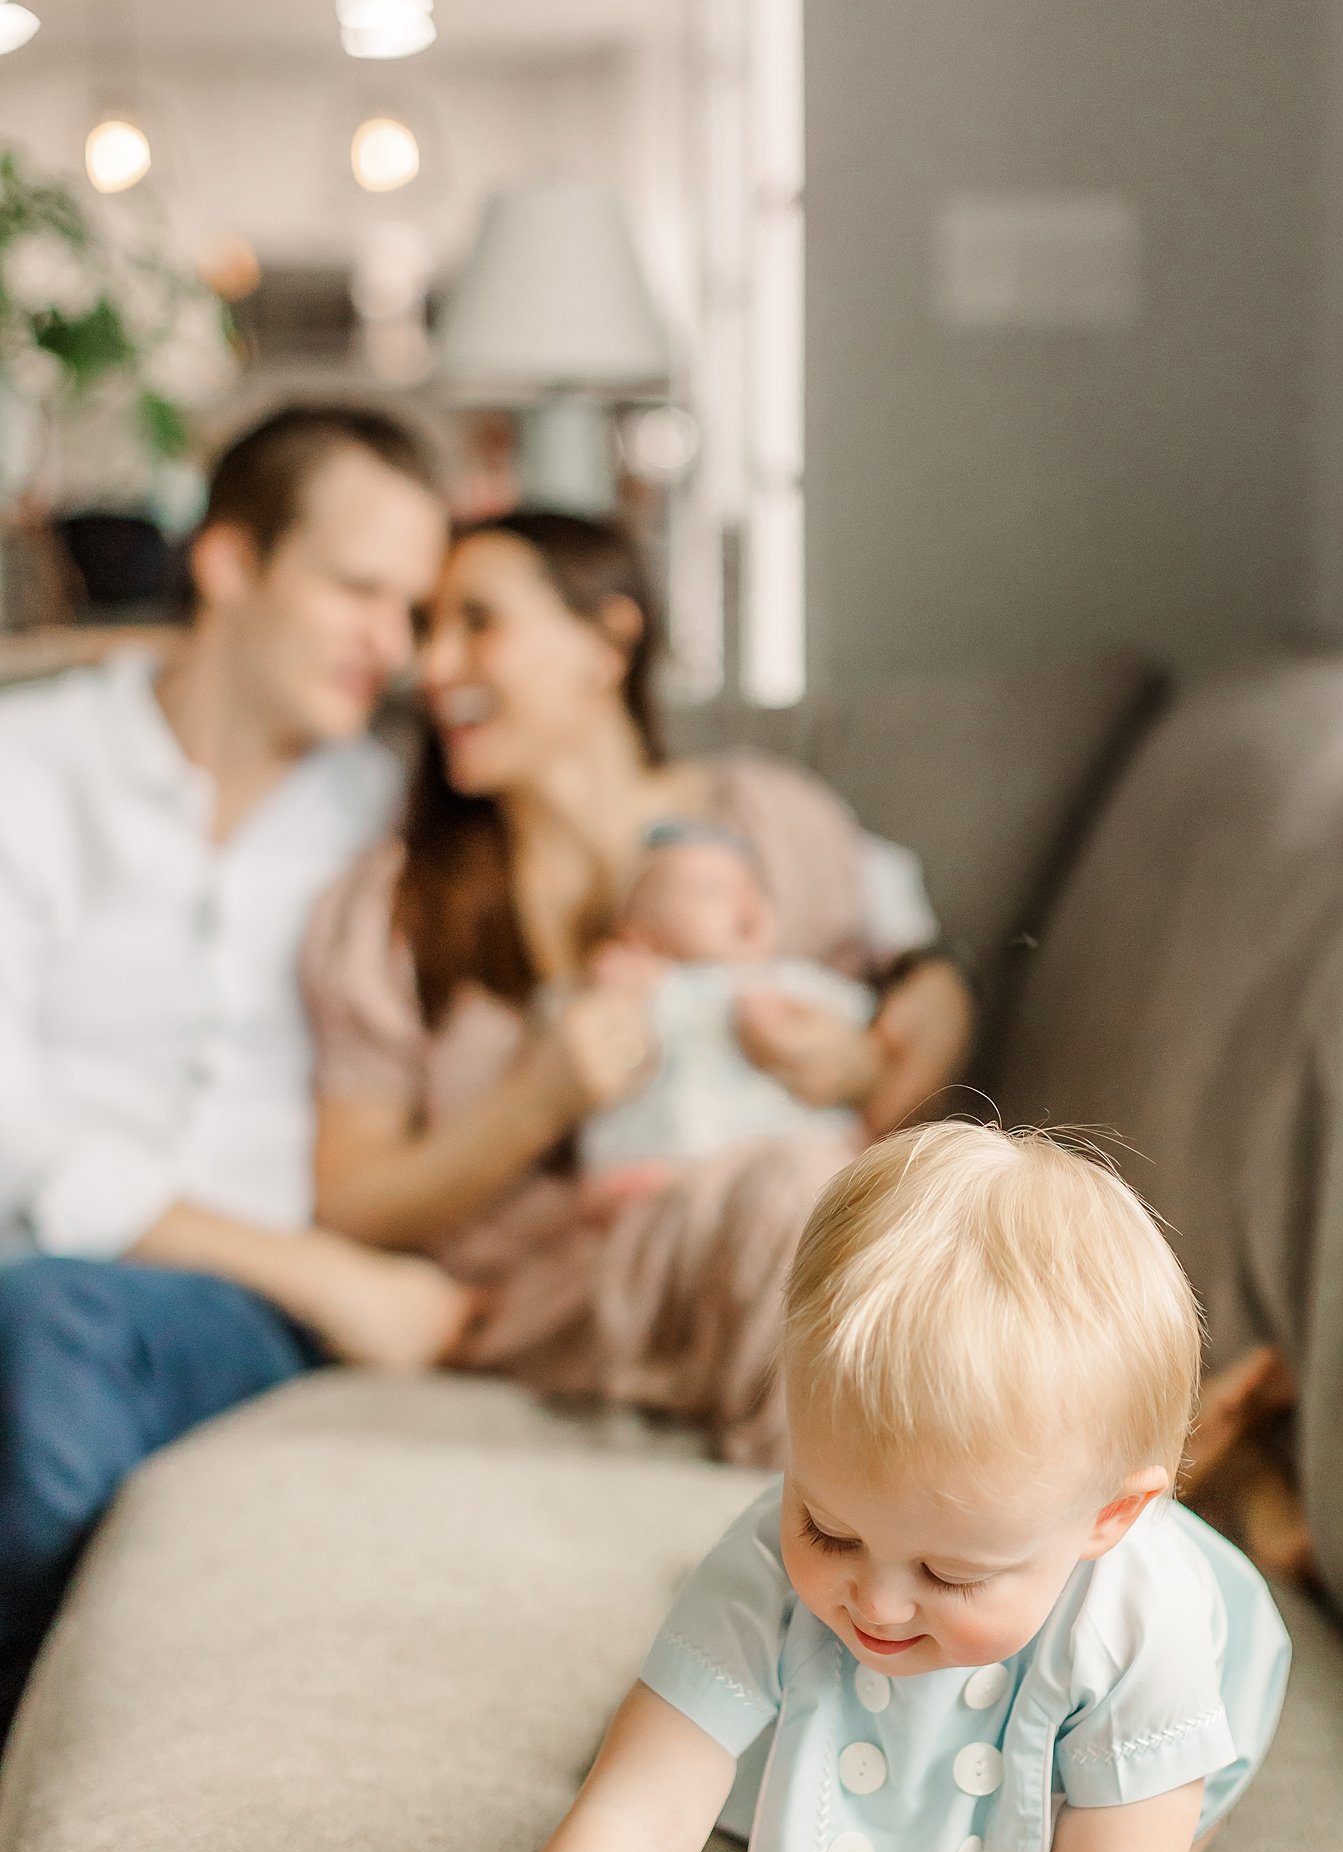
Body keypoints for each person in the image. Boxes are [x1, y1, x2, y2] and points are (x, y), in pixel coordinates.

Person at [404, 1122, 1292, 1852]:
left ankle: (1237, 1475)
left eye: (951, 1571)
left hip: (1141, 1707)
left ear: (1108, 1520)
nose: (873, 1603)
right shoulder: (779, 1567)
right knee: (698, 1759)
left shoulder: (1148, 1628)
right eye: (827, 1523)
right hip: (951, 1654)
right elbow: (630, 1819)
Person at [303, 509, 974, 1463]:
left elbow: (920, 1018)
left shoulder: (771, 820)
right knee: (802, 1204)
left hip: (804, 1245)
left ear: (609, 639)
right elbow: (350, 1205)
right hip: (578, 1289)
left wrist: (864, 1063)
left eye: (477, 621)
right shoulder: (393, 907)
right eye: (427, 630)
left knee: (870, 1213)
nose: (433, 667)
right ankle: (889, 1526)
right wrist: (537, 1103)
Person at [0, 404, 469, 1739]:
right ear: (229, 562)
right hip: (143, 1274)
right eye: (356, 588)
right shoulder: (29, 768)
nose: (392, 643)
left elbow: (643, 818)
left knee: (52, 1330)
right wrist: (329, 1273)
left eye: (413, 606)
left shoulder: (391, 811)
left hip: (207, 1323)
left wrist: (921, 957)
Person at [577, 818, 875, 1178]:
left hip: (774, 1151)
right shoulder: (657, 983)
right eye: (711, 890)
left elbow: (856, 1015)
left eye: (753, 886)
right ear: (642, 936)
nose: (743, 900)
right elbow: (578, 1035)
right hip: (672, 1159)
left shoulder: (784, 977)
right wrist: (614, 983)